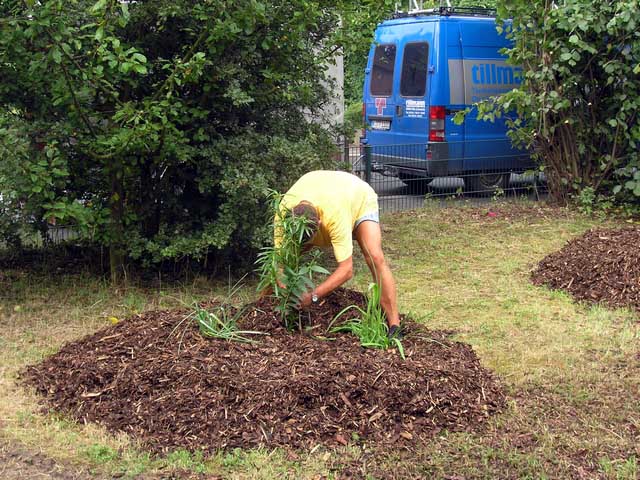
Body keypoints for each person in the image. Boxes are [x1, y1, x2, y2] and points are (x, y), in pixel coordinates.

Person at [277, 170, 401, 337]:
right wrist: (286, 293)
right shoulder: (283, 214)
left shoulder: (335, 215)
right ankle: (269, 312)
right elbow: (277, 263)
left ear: (320, 223)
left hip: (357, 196)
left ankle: (394, 325)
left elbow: (346, 269)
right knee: (286, 258)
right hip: (323, 187)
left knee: (374, 255)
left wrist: (313, 296)